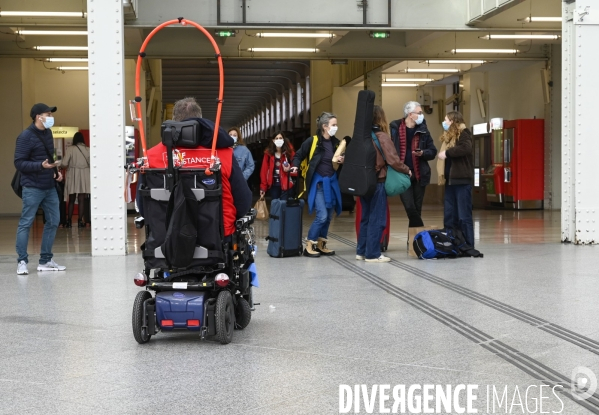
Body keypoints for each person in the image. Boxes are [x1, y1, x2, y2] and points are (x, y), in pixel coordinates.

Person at [143, 97, 252, 237]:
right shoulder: (224, 154)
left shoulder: (151, 156)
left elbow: (143, 203)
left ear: (174, 120)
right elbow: (243, 199)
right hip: (217, 238)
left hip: (164, 240)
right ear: (200, 121)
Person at [14, 103, 66, 275]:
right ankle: (22, 261)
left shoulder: (48, 133)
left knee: (53, 221)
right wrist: (40, 165)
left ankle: (45, 260)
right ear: (38, 116)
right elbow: (19, 162)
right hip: (32, 186)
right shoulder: (25, 136)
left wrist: (55, 171)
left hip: (49, 185)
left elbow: (49, 156)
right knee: (26, 223)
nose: (50, 117)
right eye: (48, 114)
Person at [357, 106, 410, 263]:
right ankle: (373, 254)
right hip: (378, 181)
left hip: (363, 183)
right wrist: (407, 170)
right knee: (378, 219)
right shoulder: (382, 136)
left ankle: (361, 251)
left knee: (365, 218)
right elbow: (393, 160)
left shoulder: (361, 136)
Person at [291, 112, 343, 258]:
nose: (336, 127)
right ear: (324, 127)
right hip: (318, 183)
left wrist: (342, 160)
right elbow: (299, 155)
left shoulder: (336, 143)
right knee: (322, 215)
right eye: (333, 125)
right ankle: (309, 245)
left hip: (332, 183)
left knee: (328, 217)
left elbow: (342, 160)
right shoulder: (312, 141)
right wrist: (295, 166)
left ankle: (321, 244)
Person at [390, 101, 437, 228]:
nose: (422, 115)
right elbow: (390, 151)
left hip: (419, 175)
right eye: (420, 113)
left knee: (417, 208)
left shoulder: (423, 130)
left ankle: (413, 242)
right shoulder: (395, 129)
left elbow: (433, 151)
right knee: (410, 208)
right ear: (410, 114)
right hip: (402, 174)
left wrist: (423, 153)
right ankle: (417, 239)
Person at [437, 111, 474, 247]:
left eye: (446, 120)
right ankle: (452, 241)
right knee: (449, 214)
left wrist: (447, 153)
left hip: (462, 181)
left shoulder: (464, 134)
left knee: (463, 215)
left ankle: (468, 244)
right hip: (450, 181)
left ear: (453, 121)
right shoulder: (449, 138)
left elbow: (466, 148)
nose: (444, 123)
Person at [61, 132, 90, 228]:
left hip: (73, 174)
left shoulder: (70, 149)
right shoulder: (87, 150)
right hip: (84, 175)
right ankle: (80, 221)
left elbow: (64, 163)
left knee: (72, 199)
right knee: (81, 199)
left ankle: (69, 221)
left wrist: (59, 165)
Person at [259, 132, 295, 201]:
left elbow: (296, 168)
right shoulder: (268, 154)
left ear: (283, 140)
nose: (279, 140)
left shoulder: (289, 153)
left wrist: (289, 170)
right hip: (274, 186)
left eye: (280, 138)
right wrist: (263, 187)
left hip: (286, 185)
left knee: (284, 207)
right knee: (275, 207)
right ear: (273, 140)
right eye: (277, 138)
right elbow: (264, 171)